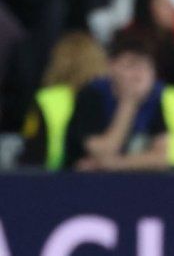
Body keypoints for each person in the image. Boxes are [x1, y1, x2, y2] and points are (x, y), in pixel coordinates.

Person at [63, 32, 174, 171]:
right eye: (130, 65)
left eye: (146, 67)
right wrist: (128, 103)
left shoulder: (156, 97)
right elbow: (104, 151)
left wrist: (116, 164)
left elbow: (163, 157)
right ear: (111, 66)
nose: (138, 74)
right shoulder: (92, 95)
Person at [19, 31, 108, 170]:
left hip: (52, 179)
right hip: (100, 175)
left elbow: (30, 150)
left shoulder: (46, 99)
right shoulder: (107, 97)